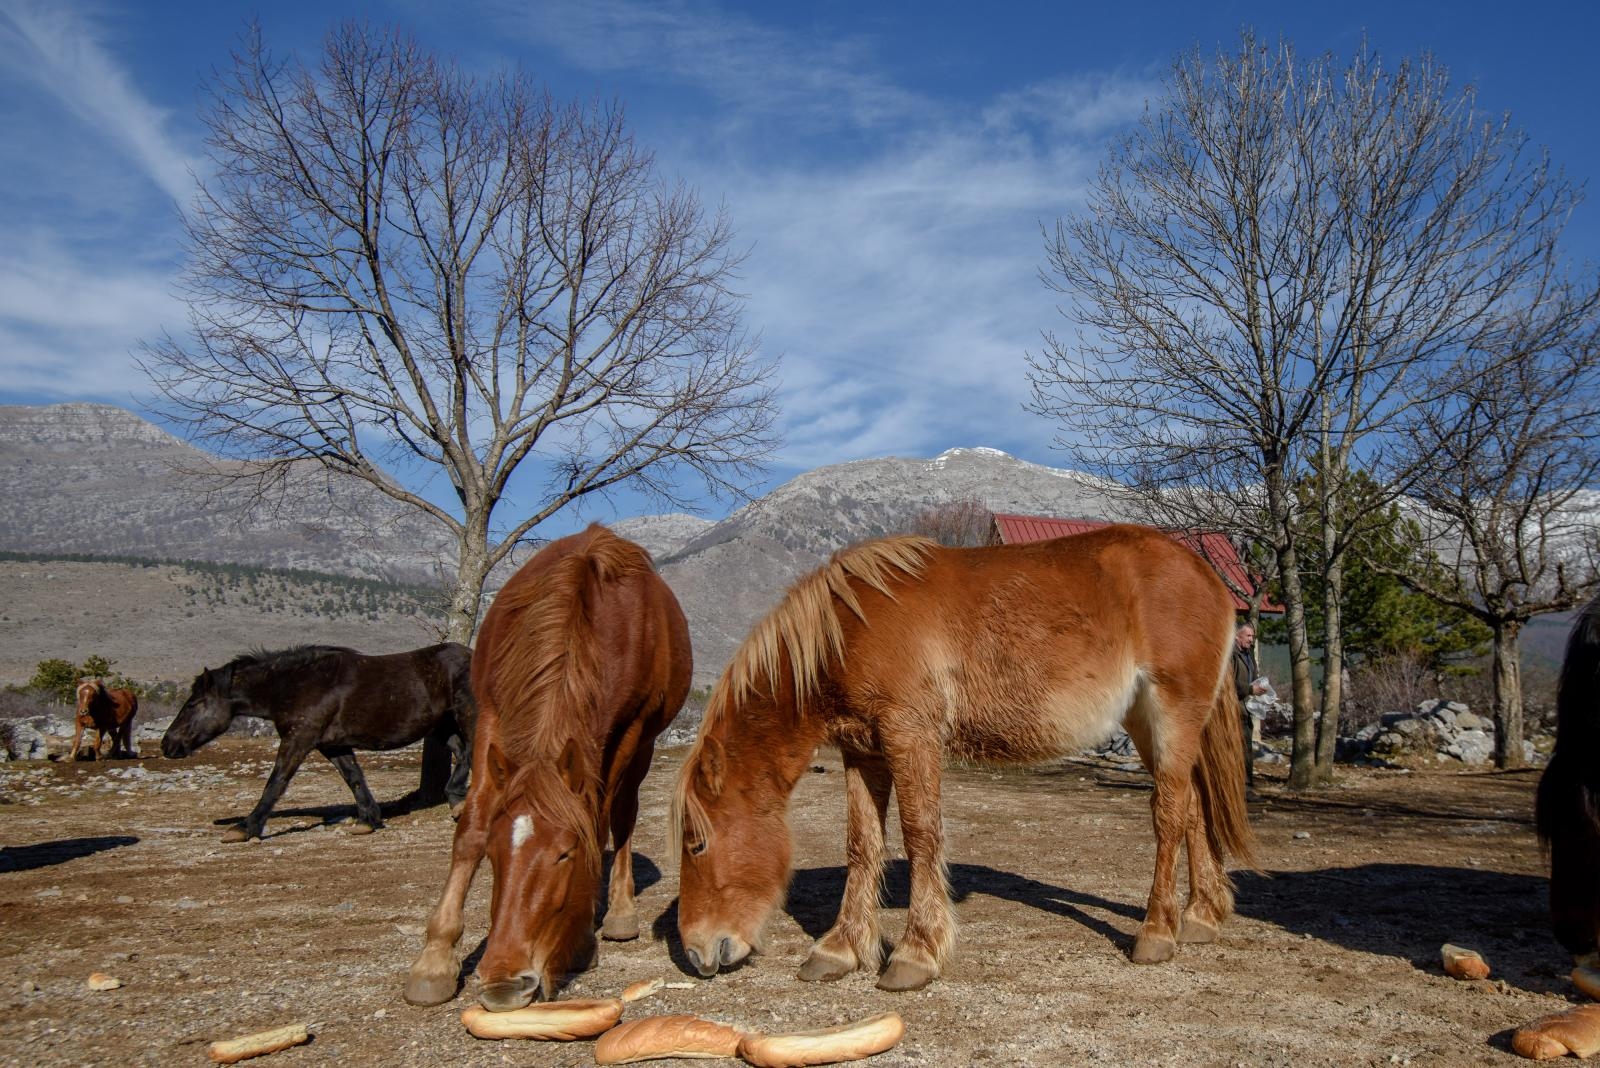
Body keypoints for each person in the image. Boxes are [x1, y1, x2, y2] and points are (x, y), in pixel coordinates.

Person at [1232, 623, 1269, 801]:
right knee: (1236, 749)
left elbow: (1252, 677)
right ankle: (1238, 788)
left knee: (1246, 748)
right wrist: (1249, 689)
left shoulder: (1248, 655)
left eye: (1252, 637)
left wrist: (1259, 689)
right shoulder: (1231, 655)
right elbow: (1227, 684)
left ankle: (1246, 786)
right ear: (1237, 636)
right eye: (1248, 636)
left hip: (1247, 708)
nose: (1251, 640)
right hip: (1233, 709)